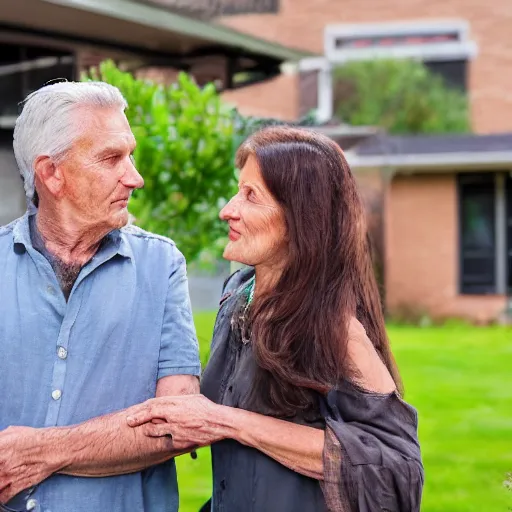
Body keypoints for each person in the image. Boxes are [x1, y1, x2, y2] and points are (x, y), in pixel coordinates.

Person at [126, 126, 424, 511]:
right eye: (238, 191)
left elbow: (396, 467)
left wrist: (225, 422)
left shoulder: (336, 328)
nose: (228, 209)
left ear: (300, 218)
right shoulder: (237, 296)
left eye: (251, 196)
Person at [0, 81, 201, 512]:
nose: (135, 177)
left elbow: (177, 424)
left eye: (130, 155)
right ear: (51, 173)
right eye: (111, 158)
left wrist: (44, 451)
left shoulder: (161, 266)